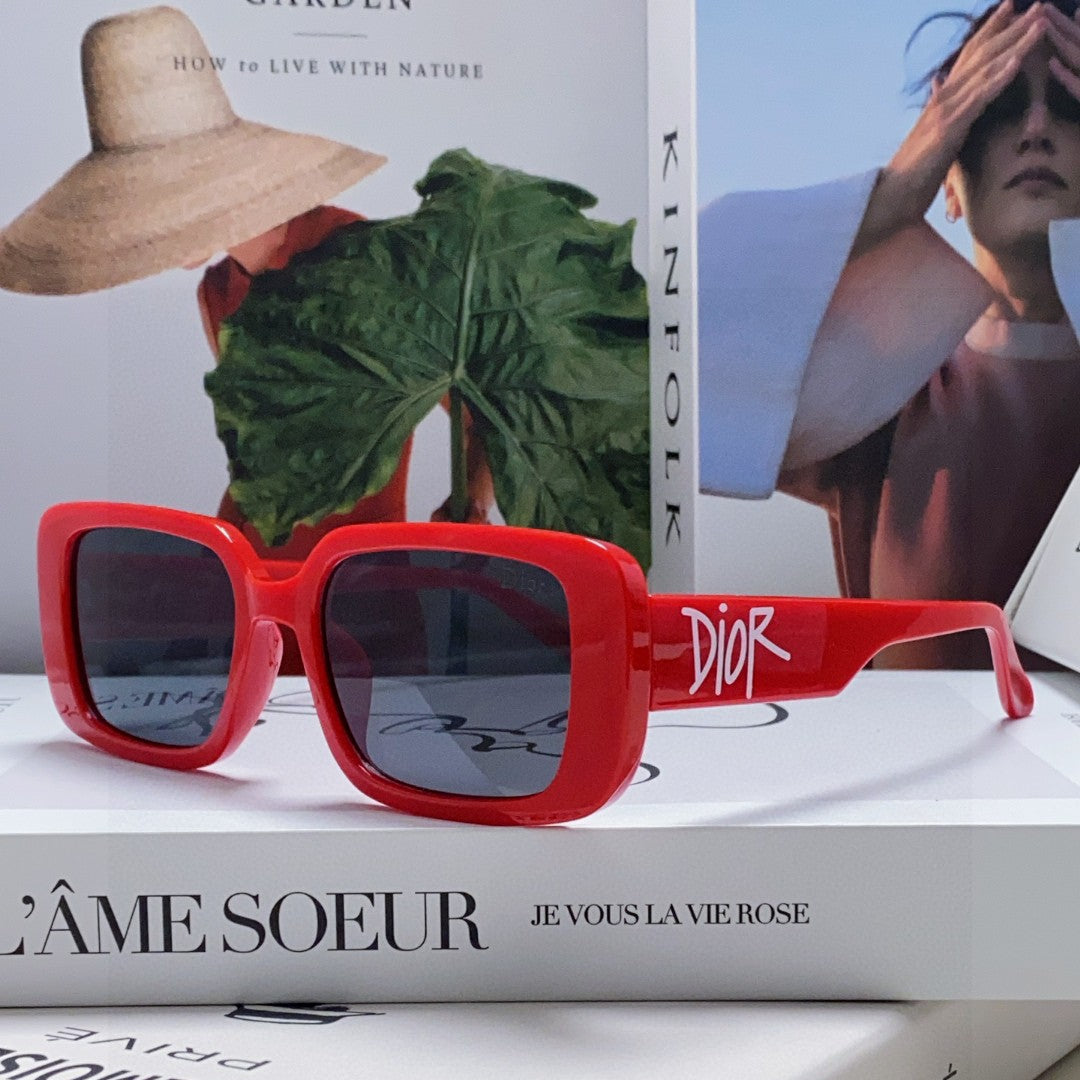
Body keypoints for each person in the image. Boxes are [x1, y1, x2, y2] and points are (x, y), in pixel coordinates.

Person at [698, 0, 1080, 668]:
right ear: (950, 183)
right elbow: (657, 367)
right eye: (995, 107)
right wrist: (890, 197)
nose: (1037, 128)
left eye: (1073, 107)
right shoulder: (884, 385)